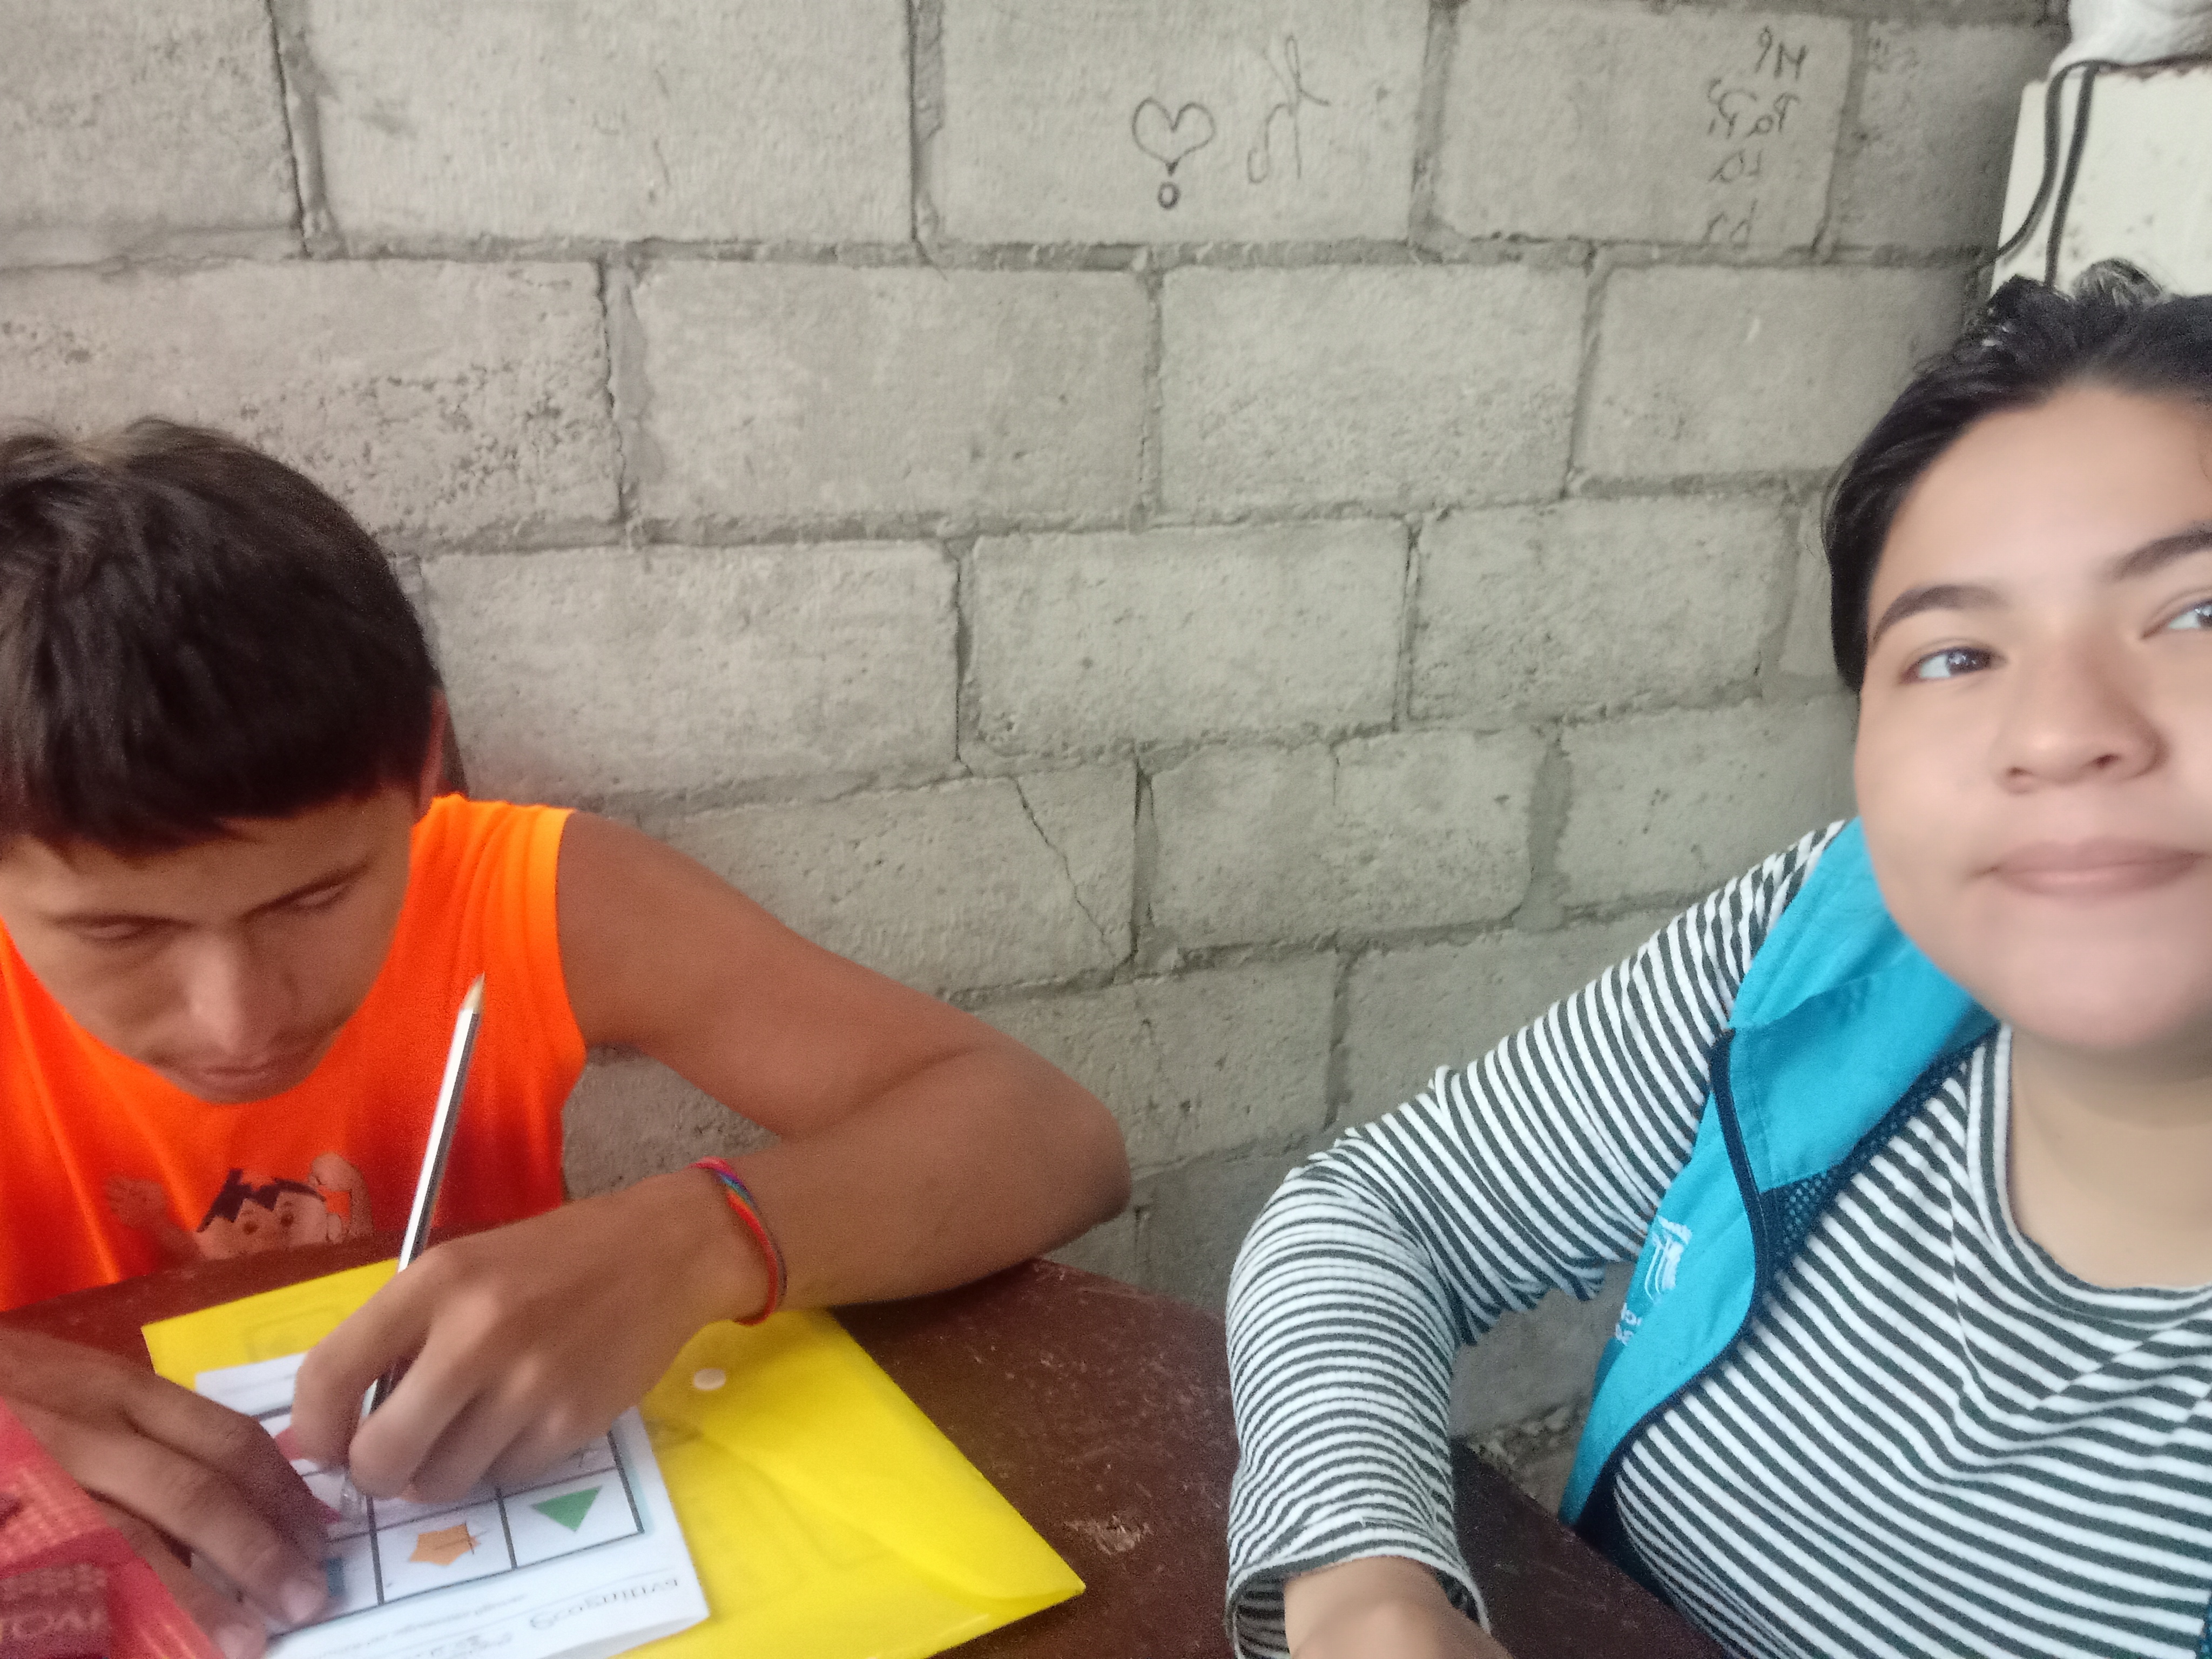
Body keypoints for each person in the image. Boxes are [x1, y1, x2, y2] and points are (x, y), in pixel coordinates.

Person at [0, 422, 1130, 1658]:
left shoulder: (521, 897)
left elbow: (1051, 1138)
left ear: (418, 767)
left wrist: (692, 1241)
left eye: (314, 898)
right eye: (118, 931)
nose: (241, 1017)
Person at [1226, 261, 2212, 1659]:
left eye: (2197, 614)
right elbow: (1382, 1215)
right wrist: (1364, 1590)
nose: (2058, 731)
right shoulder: (1831, 949)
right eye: (1953, 654)